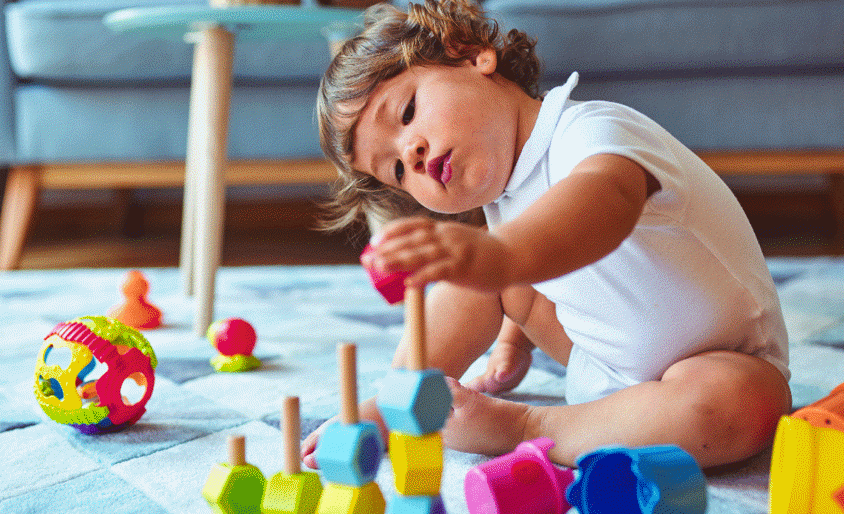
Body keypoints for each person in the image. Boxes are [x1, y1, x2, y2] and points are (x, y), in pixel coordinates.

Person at [302, 0, 792, 470]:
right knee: (473, 279)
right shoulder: (502, 206)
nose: (411, 153)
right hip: (602, 369)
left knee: (738, 405)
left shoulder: (592, 128)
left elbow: (602, 203)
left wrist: (497, 255)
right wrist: (517, 333)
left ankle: (525, 427)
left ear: (474, 56)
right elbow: (549, 268)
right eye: (396, 170)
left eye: (407, 112)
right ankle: (399, 399)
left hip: (720, 361)